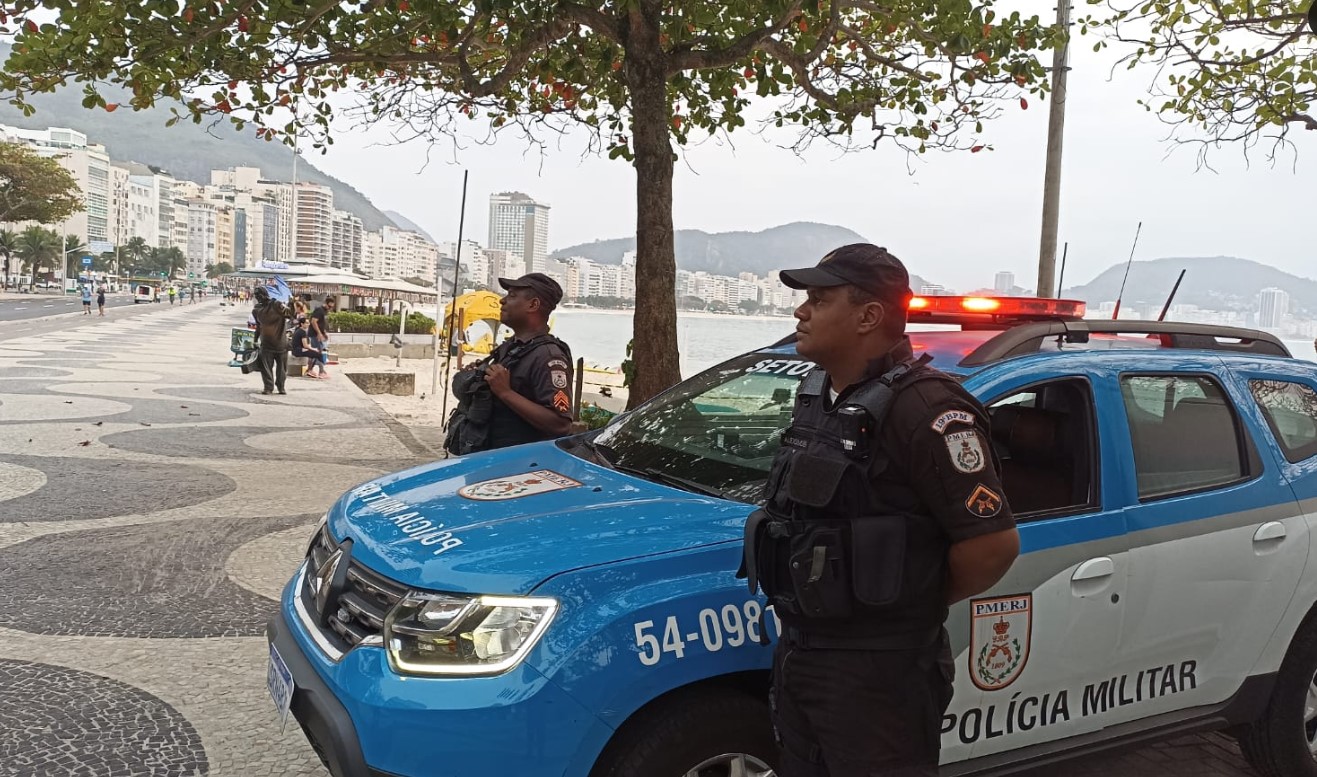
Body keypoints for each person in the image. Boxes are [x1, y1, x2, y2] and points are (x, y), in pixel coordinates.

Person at [739, 244, 1020, 777]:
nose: (800, 312)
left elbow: (992, 545)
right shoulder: (819, 393)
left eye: (819, 300)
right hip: (803, 654)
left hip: (880, 671)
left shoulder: (930, 410)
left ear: (868, 316)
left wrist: (901, 601)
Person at [444, 273, 574, 455]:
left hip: (519, 467)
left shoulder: (548, 356)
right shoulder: (510, 347)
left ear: (533, 305)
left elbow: (560, 424)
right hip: (489, 458)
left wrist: (505, 392)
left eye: (512, 296)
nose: (502, 301)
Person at [251, 286, 291, 395]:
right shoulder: (256, 310)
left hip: (280, 343)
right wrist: (255, 340)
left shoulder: (276, 305)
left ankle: (281, 387)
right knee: (266, 368)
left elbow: (289, 313)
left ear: (265, 294)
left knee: (282, 368)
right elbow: (259, 327)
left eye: (259, 295)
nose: (258, 297)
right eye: (256, 295)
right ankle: (268, 387)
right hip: (266, 343)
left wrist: (292, 304)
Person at [290, 314, 326, 379]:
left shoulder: (298, 330)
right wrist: (313, 349)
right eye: (306, 323)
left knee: (314, 354)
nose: (308, 324)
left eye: (308, 323)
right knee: (318, 354)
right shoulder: (302, 332)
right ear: (302, 324)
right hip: (298, 351)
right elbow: (305, 345)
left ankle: (311, 370)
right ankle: (319, 371)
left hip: (297, 350)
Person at [309, 295, 334, 377]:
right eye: (329, 306)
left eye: (332, 307)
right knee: (319, 352)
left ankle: (310, 369)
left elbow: (321, 324)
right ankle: (321, 371)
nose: (330, 308)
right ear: (325, 303)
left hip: (319, 334)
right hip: (315, 334)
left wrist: (324, 333)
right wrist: (319, 333)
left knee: (316, 352)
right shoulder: (319, 310)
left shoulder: (325, 311)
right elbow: (313, 322)